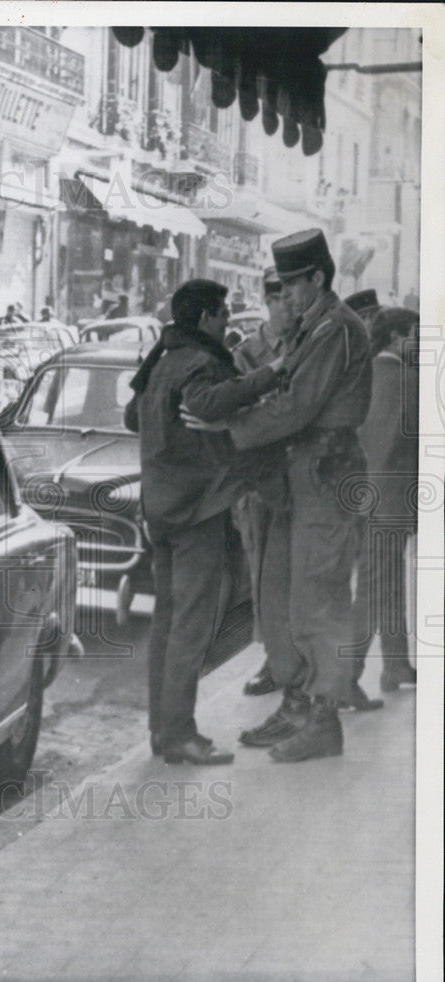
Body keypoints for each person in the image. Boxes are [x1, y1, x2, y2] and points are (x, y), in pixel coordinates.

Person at [184, 229, 373, 763]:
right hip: (305, 474)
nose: (283, 296)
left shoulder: (334, 330)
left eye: (291, 285)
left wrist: (227, 424)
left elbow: (294, 407)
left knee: (320, 599)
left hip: (325, 473)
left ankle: (323, 721)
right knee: (295, 597)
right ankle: (300, 706)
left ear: (317, 278)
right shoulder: (316, 327)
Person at [127, 279, 284, 765]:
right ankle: (179, 734)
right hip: (196, 511)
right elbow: (206, 403)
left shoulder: (162, 359)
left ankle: (162, 730)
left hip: (162, 510)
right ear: (203, 318)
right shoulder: (200, 361)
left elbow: (133, 416)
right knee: (192, 628)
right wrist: (271, 374)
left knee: (168, 624)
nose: (226, 322)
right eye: (222, 314)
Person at [348, 307, 420, 698]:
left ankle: (396, 664)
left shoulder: (361, 377)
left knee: (385, 585)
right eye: (414, 334)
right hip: (392, 503)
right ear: (395, 337)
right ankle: (344, 678)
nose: (420, 343)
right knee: (376, 590)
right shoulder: (413, 382)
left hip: (362, 499)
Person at [232, 267, 296, 698]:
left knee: (299, 573)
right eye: (284, 300)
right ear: (269, 301)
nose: (293, 308)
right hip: (259, 479)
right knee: (263, 576)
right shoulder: (246, 354)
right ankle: (275, 659)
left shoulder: (310, 345)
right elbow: (240, 411)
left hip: (301, 475)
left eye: (296, 299)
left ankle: (296, 657)